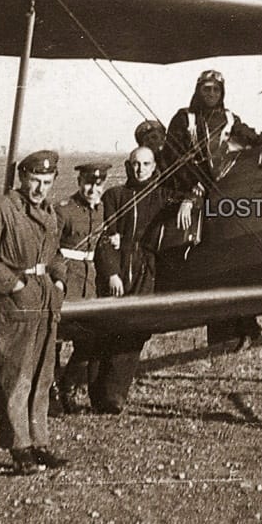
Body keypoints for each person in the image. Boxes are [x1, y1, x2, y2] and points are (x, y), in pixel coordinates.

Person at [0, 150, 69, 476]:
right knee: (16, 377)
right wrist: (12, 284)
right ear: (22, 178)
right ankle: (19, 447)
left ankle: (40, 442)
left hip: (45, 303)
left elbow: (53, 254)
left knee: (42, 375)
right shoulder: (0, 211)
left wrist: (60, 279)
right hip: (16, 304)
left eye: (46, 182)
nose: (40, 188)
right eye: (35, 181)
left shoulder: (49, 213)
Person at [164, 69, 262, 347]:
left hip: (222, 195)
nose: (211, 94)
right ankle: (222, 332)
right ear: (198, 90)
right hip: (192, 194)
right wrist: (192, 187)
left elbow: (251, 137)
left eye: (216, 90)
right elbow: (172, 155)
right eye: (206, 89)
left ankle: (246, 322)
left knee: (233, 255)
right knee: (205, 258)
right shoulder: (184, 118)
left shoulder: (230, 118)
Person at [91, 145, 170, 413]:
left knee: (135, 330)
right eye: (135, 164)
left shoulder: (161, 196)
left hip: (144, 269)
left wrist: (188, 201)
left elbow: (187, 196)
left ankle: (114, 396)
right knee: (109, 326)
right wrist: (111, 272)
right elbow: (104, 238)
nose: (140, 169)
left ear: (154, 167)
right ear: (128, 166)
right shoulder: (115, 196)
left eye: (146, 164)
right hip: (118, 270)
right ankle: (94, 390)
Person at [55, 162, 112, 414]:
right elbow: (50, 248)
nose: (92, 189)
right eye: (88, 183)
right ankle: (50, 390)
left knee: (87, 342)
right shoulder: (64, 211)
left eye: (98, 184)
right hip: (66, 282)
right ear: (79, 183)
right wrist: (58, 279)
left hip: (90, 285)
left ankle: (69, 387)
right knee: (53, 342)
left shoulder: (104, 211)